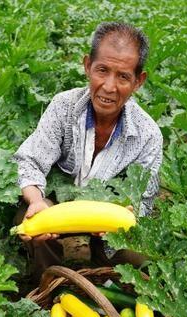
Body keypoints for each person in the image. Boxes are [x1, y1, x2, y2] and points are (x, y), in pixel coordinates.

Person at [13, 22, 163, 282]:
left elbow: (145, 200)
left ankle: (106, 288)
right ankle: (51, 287)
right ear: (87, 66)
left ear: (139, 81)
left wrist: (129, 212)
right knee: (35, 227)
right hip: (56, 205)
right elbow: (30, 162)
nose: (109, 86)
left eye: (123, 76)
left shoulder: (148, 134)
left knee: (137, 255)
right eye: (102, 70)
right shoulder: (63, 106)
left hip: (108, 218)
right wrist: (37, 200)